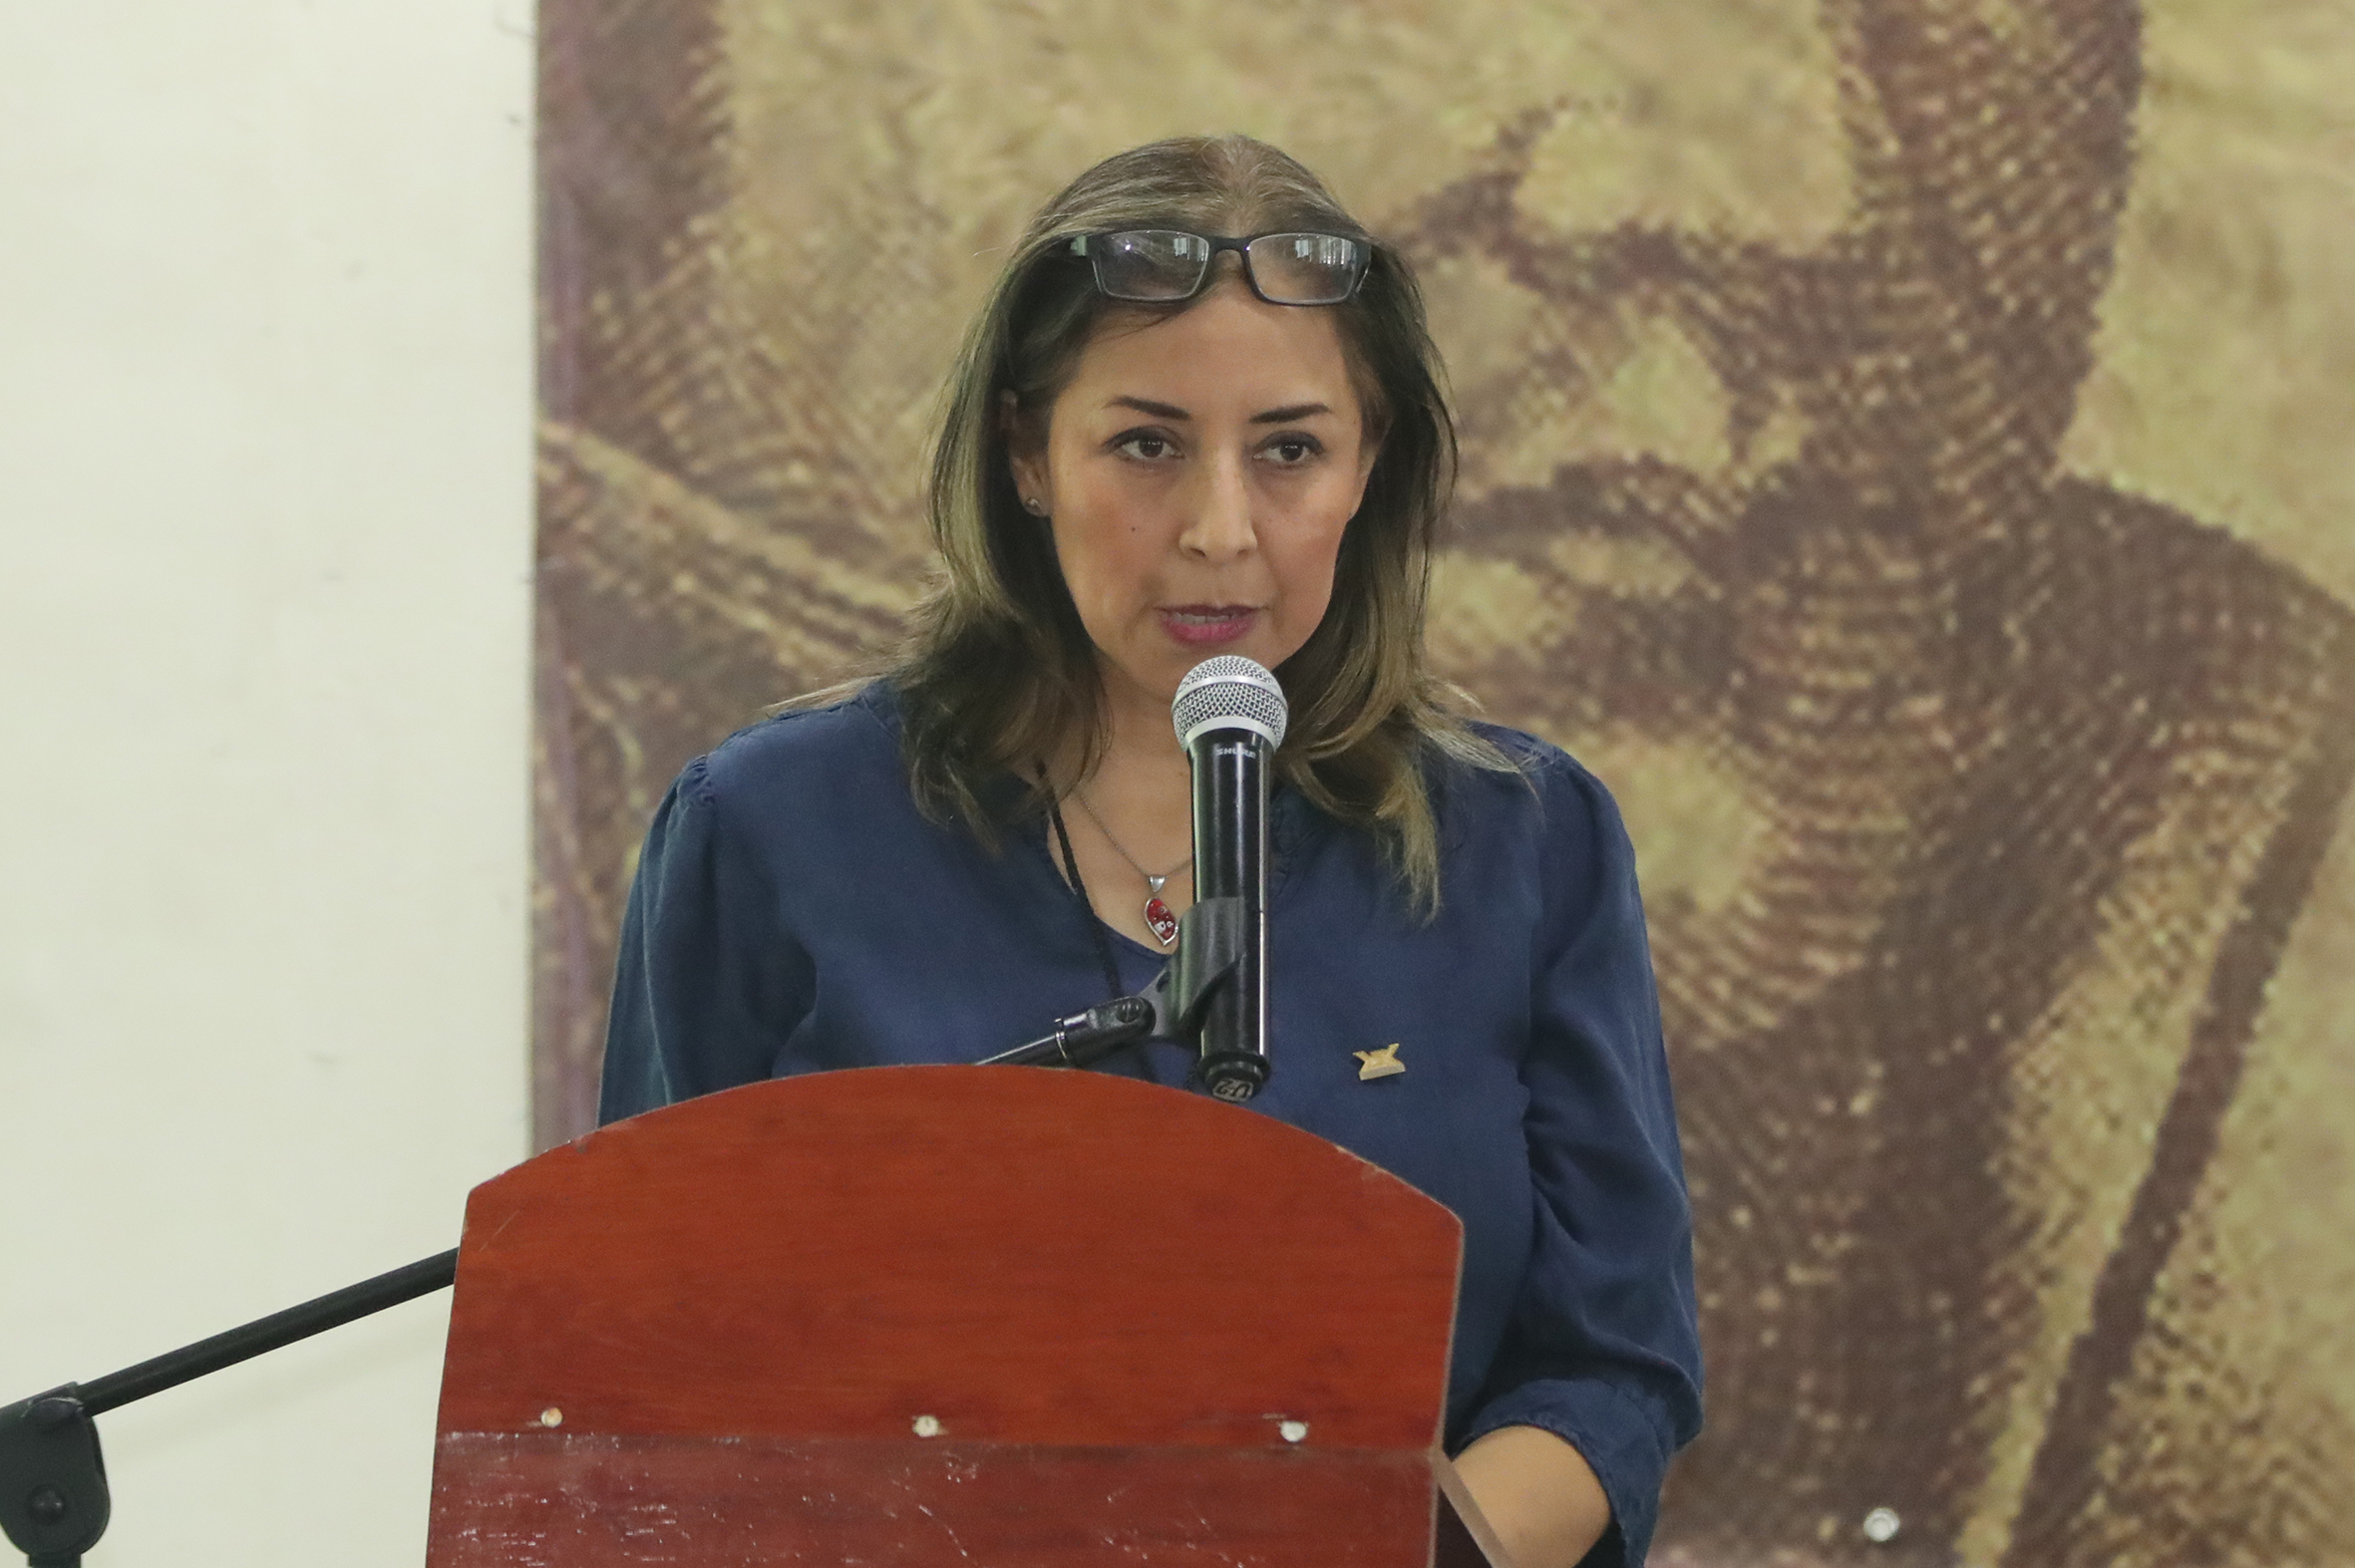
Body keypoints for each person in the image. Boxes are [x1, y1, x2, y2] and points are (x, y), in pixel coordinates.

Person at [595, 136, 1703, 1568]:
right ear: (1026, 454)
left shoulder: (1524, 839)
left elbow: (1611, 1368)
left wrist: (1385, 1549)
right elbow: (648, 1367)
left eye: (1290, 450)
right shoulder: (769, 828)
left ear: (1369, 468)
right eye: (1146, 445)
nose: (1219, 531)